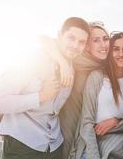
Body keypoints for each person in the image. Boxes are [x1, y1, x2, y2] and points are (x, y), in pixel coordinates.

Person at [0, 17, 90, 159]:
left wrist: (63, 63)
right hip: (22, 146)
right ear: (59, 36)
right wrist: (40, 96)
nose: (75, 45)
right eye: (71, 38)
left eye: (81, 42)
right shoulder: (31, 58)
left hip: (55, 147)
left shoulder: (73, 65)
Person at [40, 21, 110, 159]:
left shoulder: (106, 68)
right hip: (65, 130)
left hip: (90, 136)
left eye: (105, 39)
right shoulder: (76, 60)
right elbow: (43, 39)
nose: (103, 45)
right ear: (87, 46)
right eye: (96, 40)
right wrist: (63, 63)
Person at [71, 32, 123, 159]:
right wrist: (94, 156)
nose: (120, 54)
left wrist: (116, 121)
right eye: (115, 49)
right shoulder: (97, 77)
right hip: (92, 151)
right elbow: (86, 122)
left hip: (120, 152)